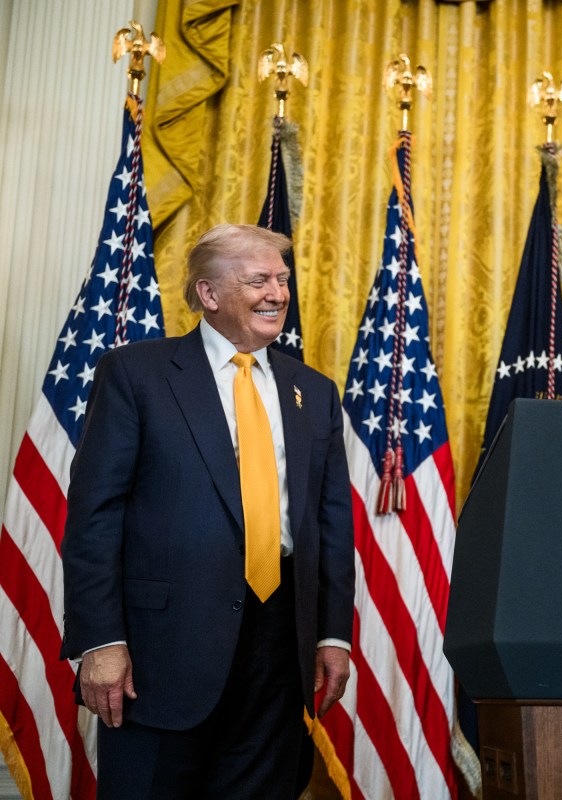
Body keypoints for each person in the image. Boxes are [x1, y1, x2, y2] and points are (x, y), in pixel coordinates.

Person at [60, 224, 355, 798]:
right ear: (209, 294)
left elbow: (329, 523)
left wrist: (333, 635)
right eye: (258, 280)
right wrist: (98, 641)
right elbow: (94, 515)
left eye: (282, 279)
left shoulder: (313, 391)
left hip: (279, 647)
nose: (277, 293)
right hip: (158, 652)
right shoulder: (135, 374)